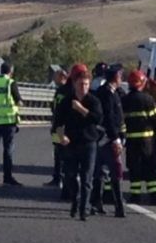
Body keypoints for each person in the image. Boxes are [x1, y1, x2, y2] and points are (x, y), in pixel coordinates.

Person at [55, 71, 103, 221]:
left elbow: (97, 119)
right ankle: (75, 200)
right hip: (71, 143)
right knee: (70, 175)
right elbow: (57, 122)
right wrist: (62, 136)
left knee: (86, 177)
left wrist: (81, 109)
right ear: (75, 84)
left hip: (89, 143)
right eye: (81, 84)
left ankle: (84, 208)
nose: (83, 87)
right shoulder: (66, 101)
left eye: (86, 84)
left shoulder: (93, 101)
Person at [122, 70, 156, 204]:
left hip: (131, 141)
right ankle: (154, 196)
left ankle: (135, 195)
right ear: (142, 82)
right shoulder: (148, 99)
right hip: (147, 141)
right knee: (150, 168)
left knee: (134, 168)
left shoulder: (125, 100)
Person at [92, 67, 126, 218]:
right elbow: (110, 118)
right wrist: (116, 138)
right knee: (114, 171)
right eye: (121, 76)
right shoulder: (107, 94)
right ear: (117, 77)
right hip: (107, 138)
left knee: (100, 171)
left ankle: (96, 203)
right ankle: (118, 205)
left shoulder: (111, 93)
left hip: (105, 137)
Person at [0, 62, 24, 186]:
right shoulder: (10, 83)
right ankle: (7, 177)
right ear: (11, 71)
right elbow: (19, 101)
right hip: (8, 121)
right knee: (8, 149)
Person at [45, 68, 78, 188]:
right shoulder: (61, 90)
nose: (54, 79)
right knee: (57, 152)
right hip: (56, 125)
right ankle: (57, 177)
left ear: (63, 77)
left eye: (56, 76)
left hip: (61, 126)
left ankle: (62, 178)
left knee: (62, 153)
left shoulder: (68, 90)